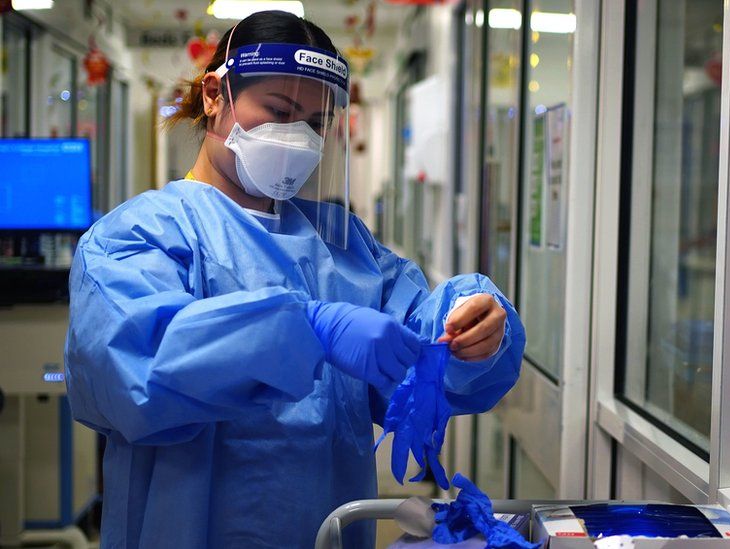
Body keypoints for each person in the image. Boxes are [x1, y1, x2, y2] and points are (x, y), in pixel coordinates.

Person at [63, 11, 525, 548]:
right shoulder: (136, 237)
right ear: (216, 94)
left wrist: (473, 325)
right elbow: (140, 369)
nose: (298, 138)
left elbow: (421, 338)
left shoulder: (341, 245)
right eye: (279, 111)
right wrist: (305, 329)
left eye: (315, 123)